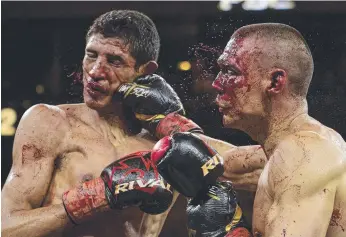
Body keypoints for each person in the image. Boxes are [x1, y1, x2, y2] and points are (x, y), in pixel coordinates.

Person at [1, 10, 266, 237]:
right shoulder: (50, 123)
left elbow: (273, 164)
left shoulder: (170, 145)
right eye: (91, 55)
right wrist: (94, 197)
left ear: (146, 71)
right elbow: (6, 227)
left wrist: (175, 125)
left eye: (114, 61)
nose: (95, 72)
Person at [151, 23, 346, 237]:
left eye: (230, 71)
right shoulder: (283, 151)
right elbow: (218, 163)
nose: (217, 83)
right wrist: (161, 120)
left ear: (274, 82)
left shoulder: (303, 155)